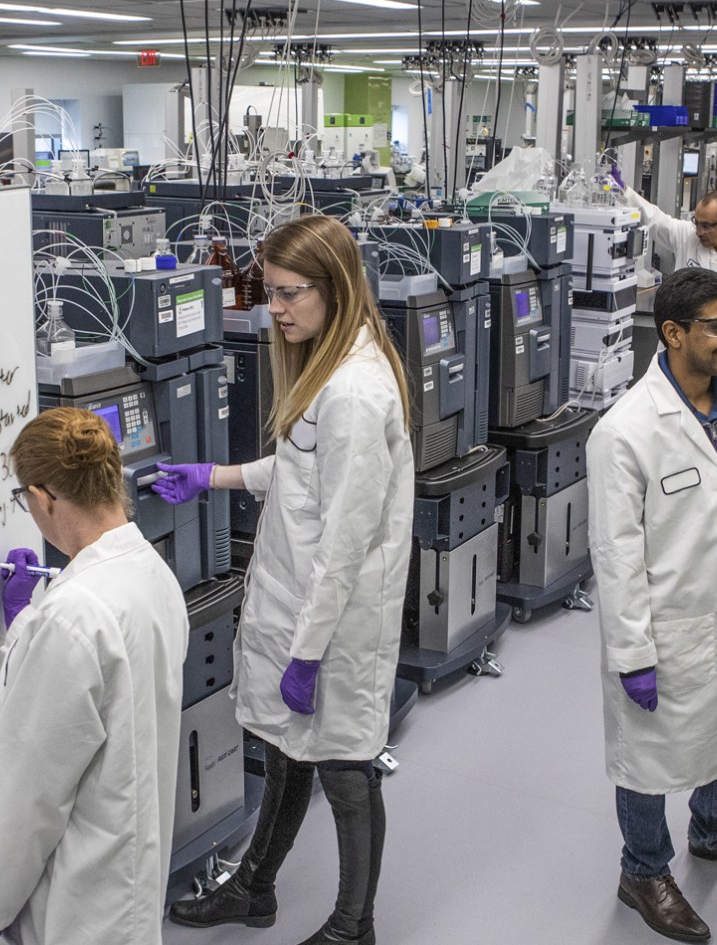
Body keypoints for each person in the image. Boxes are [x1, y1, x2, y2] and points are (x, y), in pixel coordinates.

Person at [153, 214, 414, 945]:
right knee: (288, 746)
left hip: (333, 617)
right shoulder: (328, 370)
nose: (276, 308)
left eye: (288, 293)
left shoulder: (358, 393)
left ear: (334, 289)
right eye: (270, 292)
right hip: (300, 603)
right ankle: (256, 888)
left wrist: (308, 650)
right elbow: (303, 471)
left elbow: (345, 539)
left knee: (345, 768)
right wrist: (214, 476)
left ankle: (351, 926)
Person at [586, 268, 717, 943]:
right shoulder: (625, 432)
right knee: (647, 757)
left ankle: (714, 830)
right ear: (674, 333)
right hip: (669, 623)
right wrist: (632, 655)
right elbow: (615, 555)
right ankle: (643, 869)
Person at [0, 408, 189, 945]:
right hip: (127, 876)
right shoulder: (151, 575)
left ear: (43, 499)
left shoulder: (74, 617)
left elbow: (30, 794)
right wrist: (27, 627)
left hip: (78, 900)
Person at [611, 163, 717, 274]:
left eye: (706, 226)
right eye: (697, 223)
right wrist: (624, 190)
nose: (699, 232)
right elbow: (655, 220)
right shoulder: (688, 235)